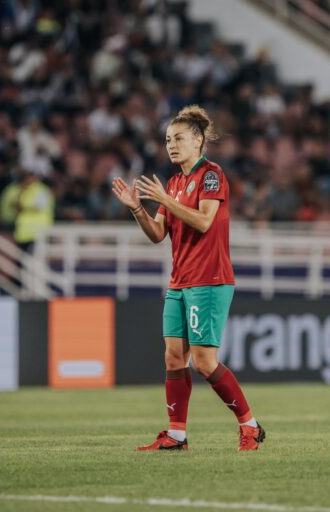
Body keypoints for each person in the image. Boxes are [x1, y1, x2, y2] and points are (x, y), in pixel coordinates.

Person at [112, 105, 265, 451]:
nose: (171, 145)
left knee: (204, 361)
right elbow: (157, 233)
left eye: (178, 138)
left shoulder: (211, 175)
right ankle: (176, 434)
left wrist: (165, 199)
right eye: (167, 139)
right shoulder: (175, 182)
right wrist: (138, 208)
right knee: (173, 357)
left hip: (209, 280)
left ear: (198, 141)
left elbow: (205, 221)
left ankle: (250, 426)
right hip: (179, 282)